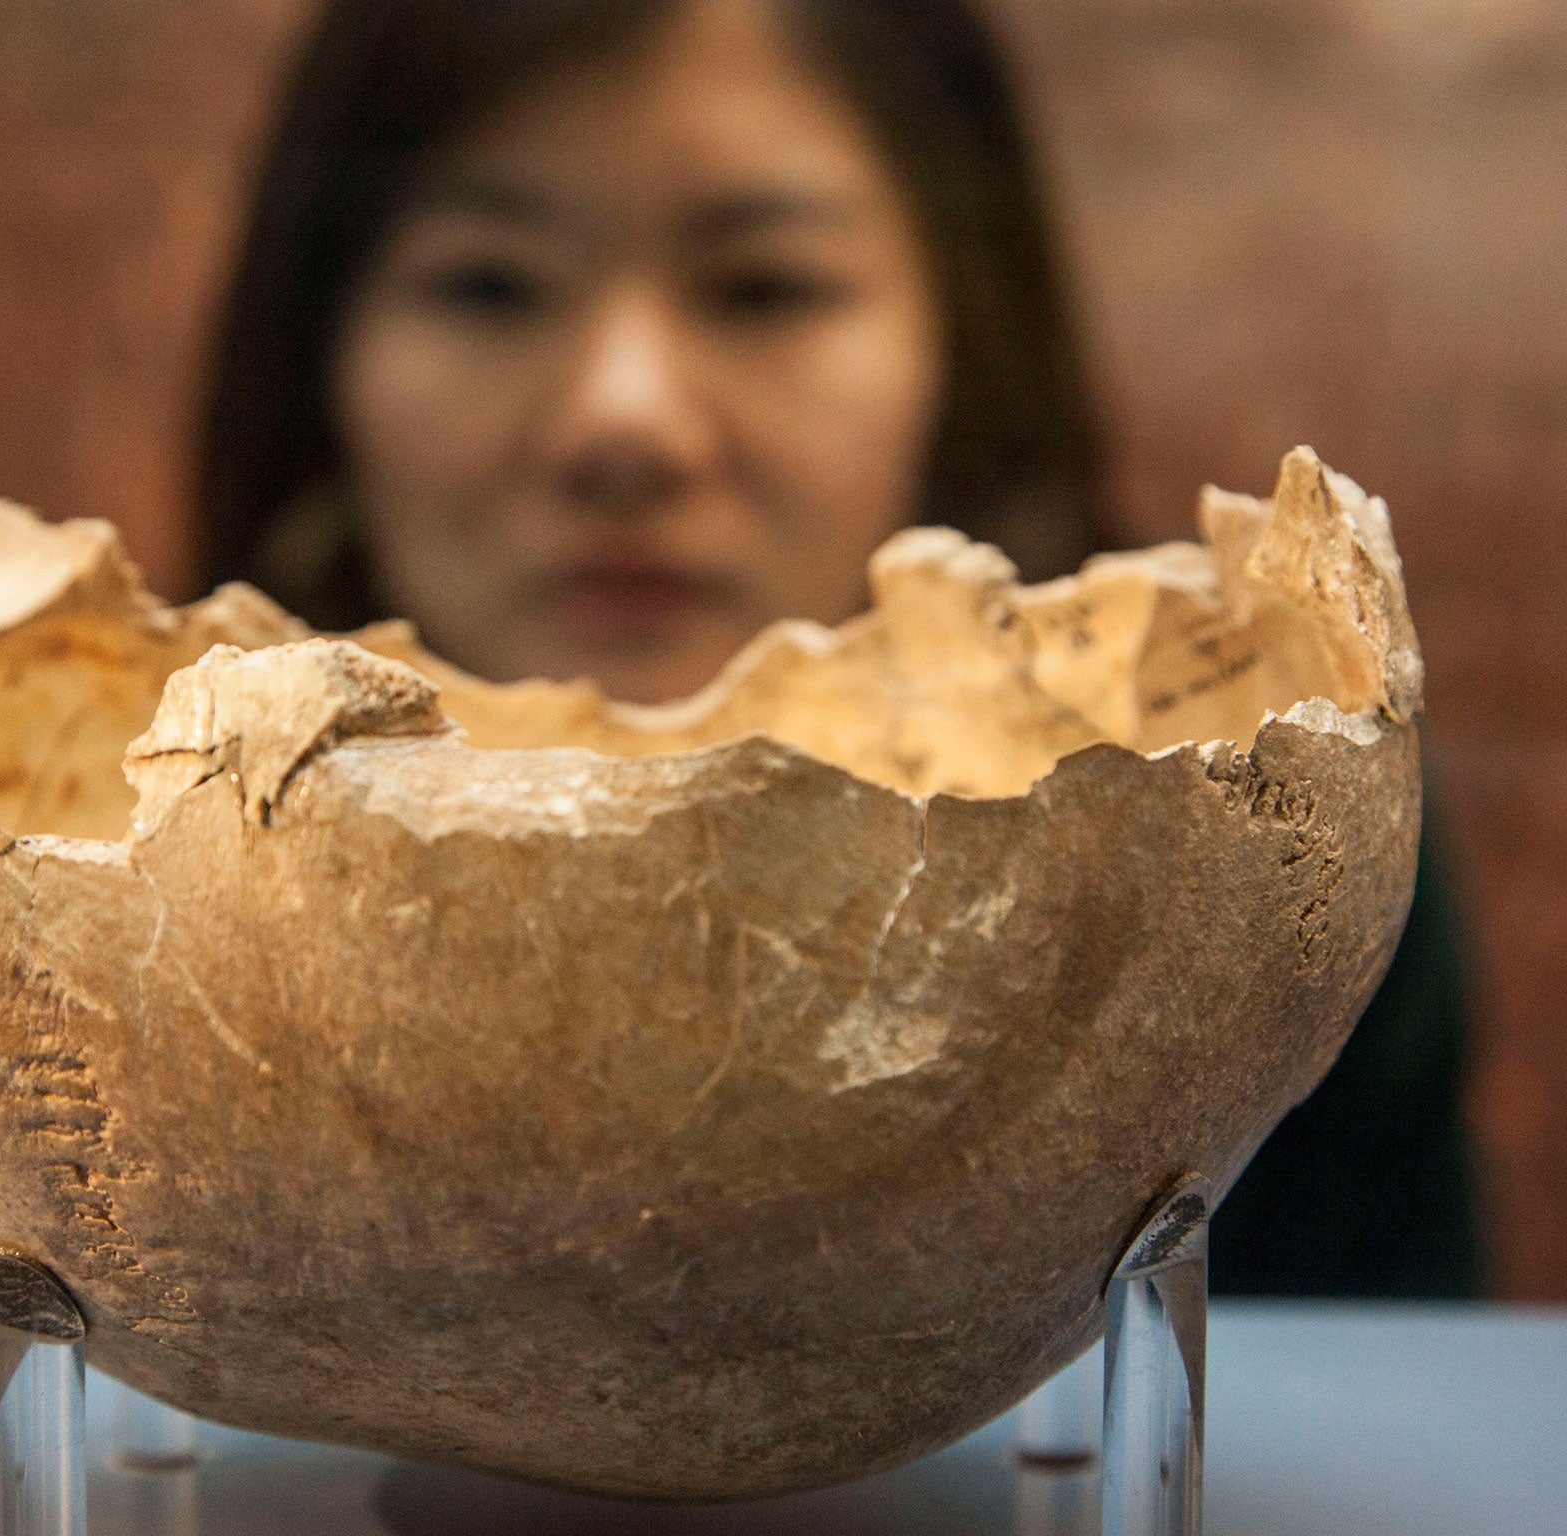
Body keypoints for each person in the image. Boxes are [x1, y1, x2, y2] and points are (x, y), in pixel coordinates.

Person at [198, 0, 1478, 1296]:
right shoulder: (165, 886)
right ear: (322, 358)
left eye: (766, 288)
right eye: (487, 284)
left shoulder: (1246, 845)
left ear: (963, 346)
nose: (622, 417)